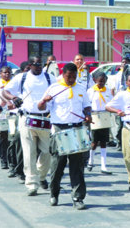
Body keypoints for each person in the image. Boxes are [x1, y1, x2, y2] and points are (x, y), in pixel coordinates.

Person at [39, 62, 93, 210]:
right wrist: (44, 101)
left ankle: (78, 197)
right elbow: (41, 107)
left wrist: (88, 115)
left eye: (74, 76)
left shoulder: (81, 88)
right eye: (69, 76)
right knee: (57, 166)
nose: (71, 79)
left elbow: (86, 106)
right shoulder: (54, 88)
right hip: (59, 130)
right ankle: (54, 194)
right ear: (63, 74)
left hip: (76, 129)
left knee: (77, 167)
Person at [2, 56, 54, 196]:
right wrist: (14, 98)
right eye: (35, 64)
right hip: (27, 118)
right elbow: (5, 91)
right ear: (29, 65)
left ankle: (41, 176)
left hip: (46, 119)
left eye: (40, 64)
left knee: (47, 151)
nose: (38, 66)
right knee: (29, 153)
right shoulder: (22, 78)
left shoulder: (49, 78)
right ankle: (32, 184)